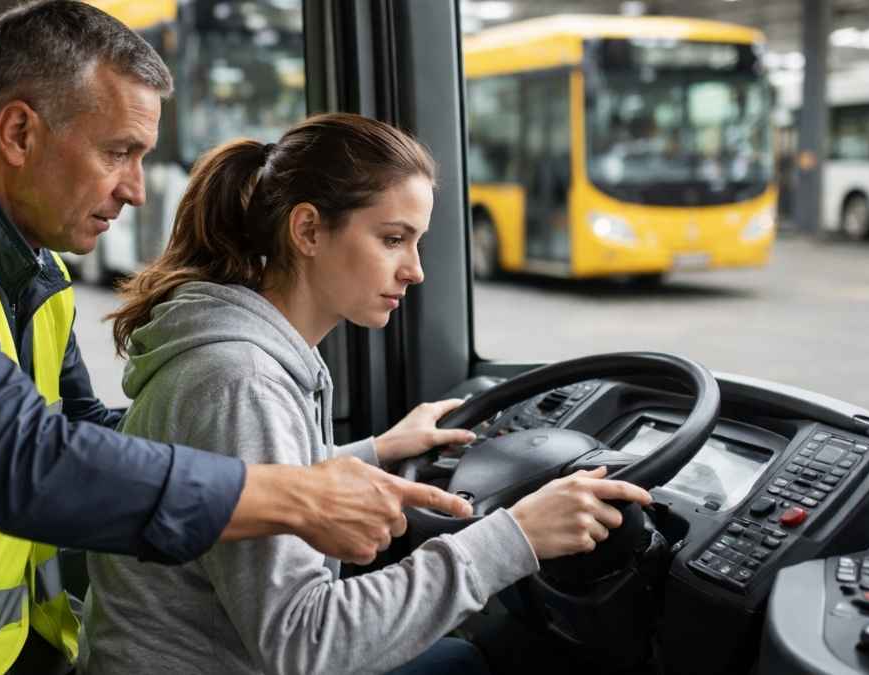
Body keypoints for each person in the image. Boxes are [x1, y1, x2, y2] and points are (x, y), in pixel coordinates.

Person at [0, 2, 471, 673]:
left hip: (0, 649)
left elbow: (89, 433)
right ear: (20, 132)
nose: (138, 188)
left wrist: (347, 457)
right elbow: (23, 461)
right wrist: (300, 495)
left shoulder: (25, 256)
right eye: (119, 152)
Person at [80, 113, 654, 675]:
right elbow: (306, 643)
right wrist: (516, 536)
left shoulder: (246, 358)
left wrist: (375, 453)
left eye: (417, 242)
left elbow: (251, 483)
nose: (416, 270)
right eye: (393, 239)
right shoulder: (242, 380)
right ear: (307, 230)